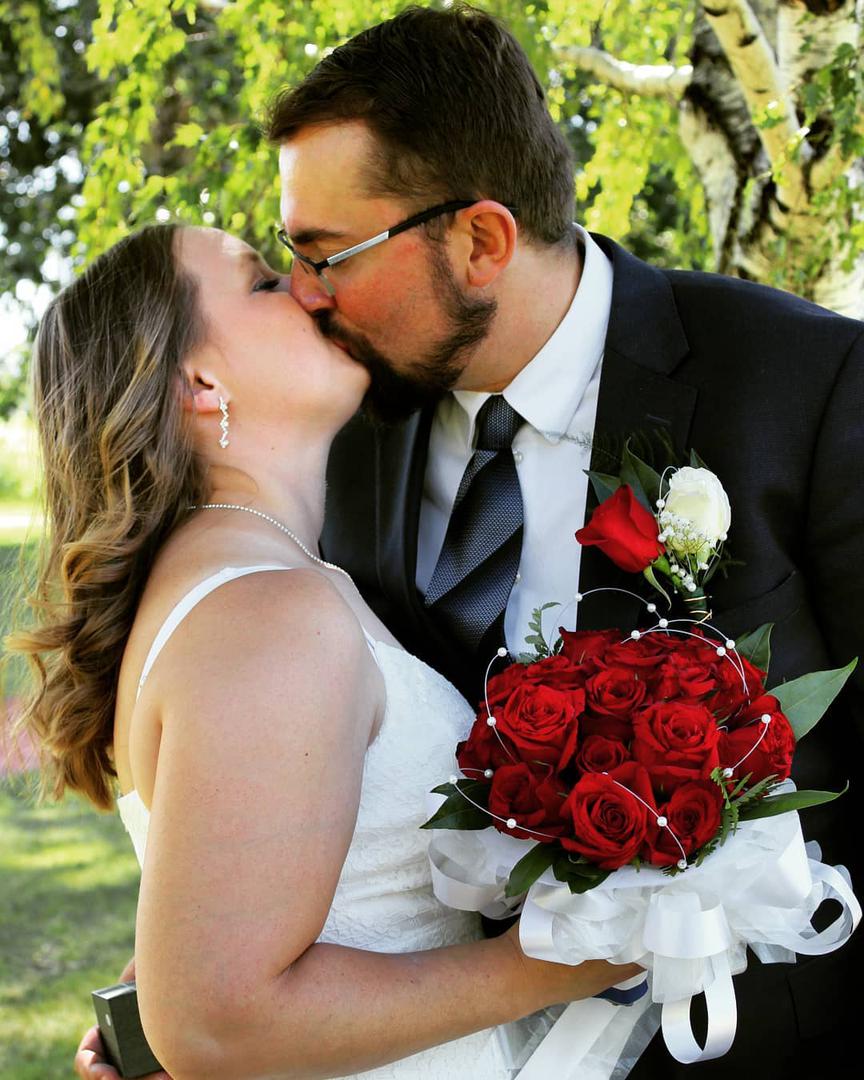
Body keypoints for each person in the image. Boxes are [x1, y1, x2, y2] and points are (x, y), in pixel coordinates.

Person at [74, 3, 863, 1077]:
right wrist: (178, 997)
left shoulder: (804, 384)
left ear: (483, 241)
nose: (306, 291)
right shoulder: (334, 421)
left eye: (328, 252)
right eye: (285, 258)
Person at [9, 223, 635, 1080]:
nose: (311, 288)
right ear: (200, 382)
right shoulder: (267, 611)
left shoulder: (260, 580)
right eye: (265, 283)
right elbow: (220, 1024)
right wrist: (559, 961)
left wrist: (156, 993)